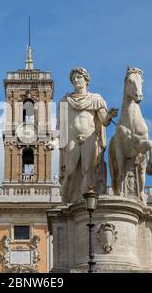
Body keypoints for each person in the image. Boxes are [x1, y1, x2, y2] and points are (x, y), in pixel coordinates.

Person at [47, 67, 117, 203]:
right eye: (73, 79)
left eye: (79, 77)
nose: (76, 80)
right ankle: (66, 201)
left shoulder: (96, 99)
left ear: (86, 80)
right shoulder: (65, 101)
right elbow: (60, 127)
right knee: (70, 171)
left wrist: (109, 116)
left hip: (89, 137)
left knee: (88, 170)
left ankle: (87, 201)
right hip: (72, 138)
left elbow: (103, 121)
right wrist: (54, 142)